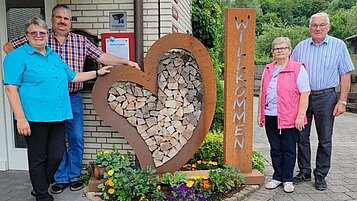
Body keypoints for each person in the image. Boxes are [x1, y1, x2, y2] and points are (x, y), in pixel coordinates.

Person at [3, 4, 140, 194]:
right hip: (40, 105)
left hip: (70, 99)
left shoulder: (78, 41)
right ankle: (57, 180)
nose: (62, 21)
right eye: (58, 17)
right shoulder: (40, 36)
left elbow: (101, 56)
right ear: (52, 19)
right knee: (45, 151)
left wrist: (125, 62)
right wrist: (30, 67)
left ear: (70, 21)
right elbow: (8, 47)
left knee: (74, 138)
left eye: (66, 18)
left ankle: (73, 175)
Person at [291, 12, 355, 191]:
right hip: (303, 97)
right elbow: (291, 73)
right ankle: (304, 171)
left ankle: (320, 174)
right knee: (301, 136)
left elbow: (345, 74)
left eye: (322, 25)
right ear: (309, 27)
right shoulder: (301, 47)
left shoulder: (338, 46)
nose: (317, 28)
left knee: (325, 138)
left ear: (328, 26)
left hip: (326, 97)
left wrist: (342, 101)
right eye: (314, 25)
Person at [258, 37, 310, 193]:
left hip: (290, 116)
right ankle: (277, 177)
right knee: (275, 148)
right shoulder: (268, 69)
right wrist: (260, 113)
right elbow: (262, 92)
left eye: (283, 48)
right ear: (273, 52)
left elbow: (305, 93)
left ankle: (288, 179)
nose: (279, 51)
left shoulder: (297, 68)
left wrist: (300, 116)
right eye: (276, 48)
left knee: (288, 149)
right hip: (270, 115)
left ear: (289, 50)